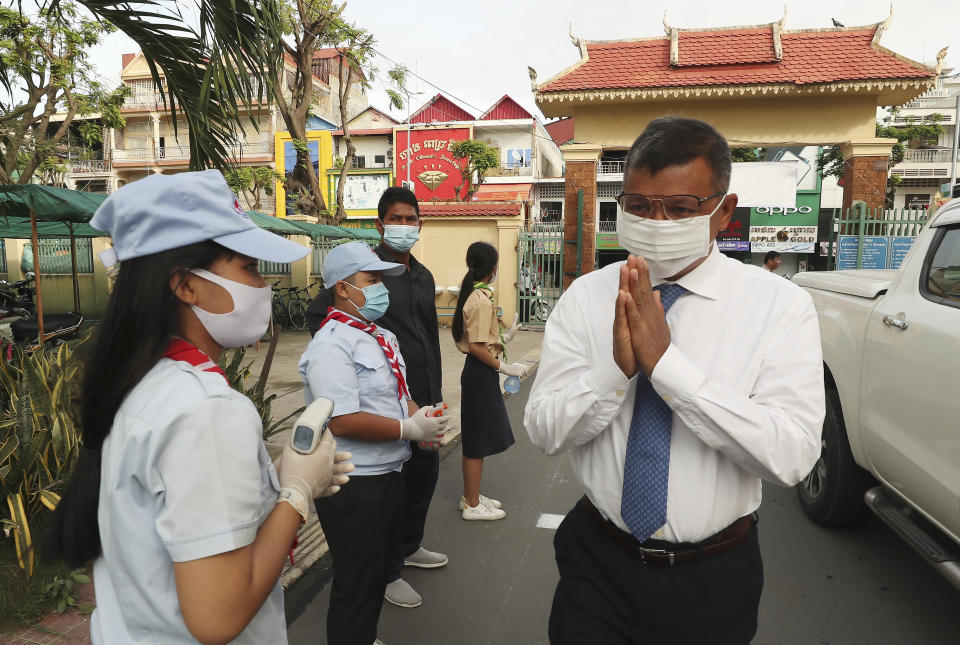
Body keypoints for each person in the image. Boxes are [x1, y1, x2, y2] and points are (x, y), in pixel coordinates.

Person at [524, 117, 825, 645]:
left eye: (681, 209)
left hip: (711, 576)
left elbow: (792, 455)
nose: (657, 221)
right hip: (598, 564)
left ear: (722, 212)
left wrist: (669, 370)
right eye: (639, 206)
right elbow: (545, 432)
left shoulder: (780, 307)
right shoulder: (585, 298)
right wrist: (612, 372)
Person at [44, 170, 353, 644]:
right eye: (249, 268)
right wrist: (295, 494)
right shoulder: (205, 408)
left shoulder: (141, 381)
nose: (263, 285)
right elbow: (217, 617)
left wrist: (271, 478)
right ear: (185, 285)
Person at [301, 241, 449, 645]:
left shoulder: (380, 335)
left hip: (389, 472)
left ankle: (363, 637)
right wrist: (408, 430)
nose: (382, 287)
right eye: (373, 279)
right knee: (356, 580)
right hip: (353, 481)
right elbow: (344, 420)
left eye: (382, 278)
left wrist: (424, 420)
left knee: (378, 569)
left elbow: (398, 395)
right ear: (344, 289)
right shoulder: (331, 345)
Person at [453, 241, 526, 521]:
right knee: (477, 440)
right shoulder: (480, 299)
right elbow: (476, 347)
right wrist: (506, 368)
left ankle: (470, 496)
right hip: (480, 372)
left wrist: (505, 338)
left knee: (477, 436)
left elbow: (482, 339)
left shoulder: (475, 294)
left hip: (478, 371)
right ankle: (472, 504)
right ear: (493, 268)